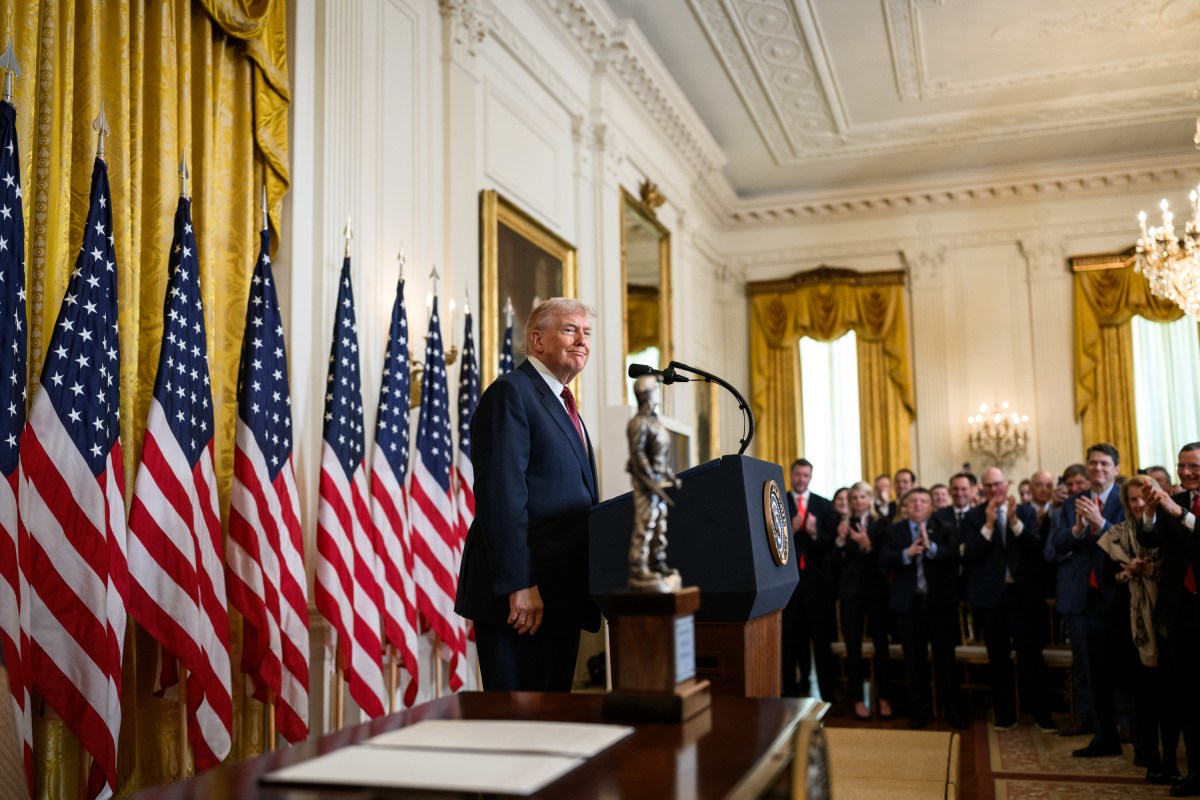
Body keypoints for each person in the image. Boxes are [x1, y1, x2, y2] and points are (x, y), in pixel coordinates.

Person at [455, 298, 600, 691]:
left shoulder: (566, 406)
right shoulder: (511, 393)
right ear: (537, 340)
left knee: (552, 726)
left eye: (587, 333)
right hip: (522, 600)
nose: (582, 341)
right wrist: (520, 584)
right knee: (519, 731)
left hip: (561, 596)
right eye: (570, 330)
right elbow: (501, 496)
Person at [1099, 475, 1180, 787]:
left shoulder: (1169, 531)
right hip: (1130, 626)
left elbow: (1177, 574)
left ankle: (1171, 760)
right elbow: (1107, 579)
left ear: (1155, 498)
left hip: (1166, 620)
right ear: (1125, 503)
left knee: (1169, 696)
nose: (1138, 504)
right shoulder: (1116, 535)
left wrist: (1153, 571)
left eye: (1143, 498)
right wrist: (1127, 573)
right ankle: (1151, 759)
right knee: (1142, 697)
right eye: (1132, 499)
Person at [1045, 443, 1124, 756]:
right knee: (1090, 668)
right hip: (1083, 596)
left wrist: (1101, 524)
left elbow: (1131, 539)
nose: (1098, 469)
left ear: (1116, 469)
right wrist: (1078, 530)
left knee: (1122, 666)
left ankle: (1130, 725)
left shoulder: (1125, 498)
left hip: (1118, 593)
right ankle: (1103, 734)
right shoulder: (1073, 502)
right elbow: (1057, 545)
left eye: (1104, 464)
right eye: (1092, 463)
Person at [962, 467, 1055, 731]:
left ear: (1007, 484)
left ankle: (1040, 713)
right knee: (998, 658)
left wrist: (1014, 523)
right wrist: (989, 525)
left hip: (1022, 596)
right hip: (990, 598)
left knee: (1031, 657)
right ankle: (1004, 714)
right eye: (989, 486)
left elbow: (1035, 548)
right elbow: (972, 554)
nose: (994, 490)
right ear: (982, 488)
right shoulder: (972, 516)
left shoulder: (1025, 511)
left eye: (998, 484)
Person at [1138, 443, 1200, 796]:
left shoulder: (1182, 507)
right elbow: (1150, 538)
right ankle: (1195, 771)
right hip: (1180, 612)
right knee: (1187, 697)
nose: (1186, 472)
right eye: (1181, 466)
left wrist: (1177, 512)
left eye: (1193, 466)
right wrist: (1150, 511)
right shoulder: (1178, 503)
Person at [881, 488, 967, 730]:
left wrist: (932, 548)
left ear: (931, 506)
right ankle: (919, 712)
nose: (918, 505)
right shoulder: (893, 530)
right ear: (905, 507)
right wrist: (906, 554)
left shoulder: (944, 527)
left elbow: (953, 555)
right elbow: (883, 558)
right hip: (910, 605)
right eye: (913, 502)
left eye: (923, 501)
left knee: (945, 660)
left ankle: (951, 710)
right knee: (914, 661)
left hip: (939, 604)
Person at [780, 458, 838, 703]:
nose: (801, 479)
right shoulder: (778, 502)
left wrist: (814, 533)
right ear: (791, 476)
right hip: (788, 585)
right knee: (789, 641)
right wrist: (790, 531)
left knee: (821, 642)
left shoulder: (823, 505)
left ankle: (828, 697)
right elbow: (770, 542)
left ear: (810, 477)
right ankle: (790, 696)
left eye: (805, 475)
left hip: (816, 585)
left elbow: (831, 542)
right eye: (797, 474)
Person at [835, 481, 893, 721]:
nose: (858, 501)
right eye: (855, 497)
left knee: (882, 646)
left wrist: (868, 546)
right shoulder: (845, 525)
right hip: (851, 593)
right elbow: (833, 564)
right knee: (853, 648)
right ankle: (857, 699)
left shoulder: (883, 524)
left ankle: (884, 697)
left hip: (877, 592)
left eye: (863, 497)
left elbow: (888, 560)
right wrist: (839, 542)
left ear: (870, 499)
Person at [626, 374, 681, 592]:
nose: (658, 394)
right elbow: (638, 454)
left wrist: (670, 476)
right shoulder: (638, 422)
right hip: (645, 482)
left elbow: (661, 455)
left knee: (660, 525)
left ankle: (657, 563)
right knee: (645, 525)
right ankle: (638, 567)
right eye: (655, 390)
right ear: (647, 395)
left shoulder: (656, 421)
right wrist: (649, 477)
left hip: (658, 481)